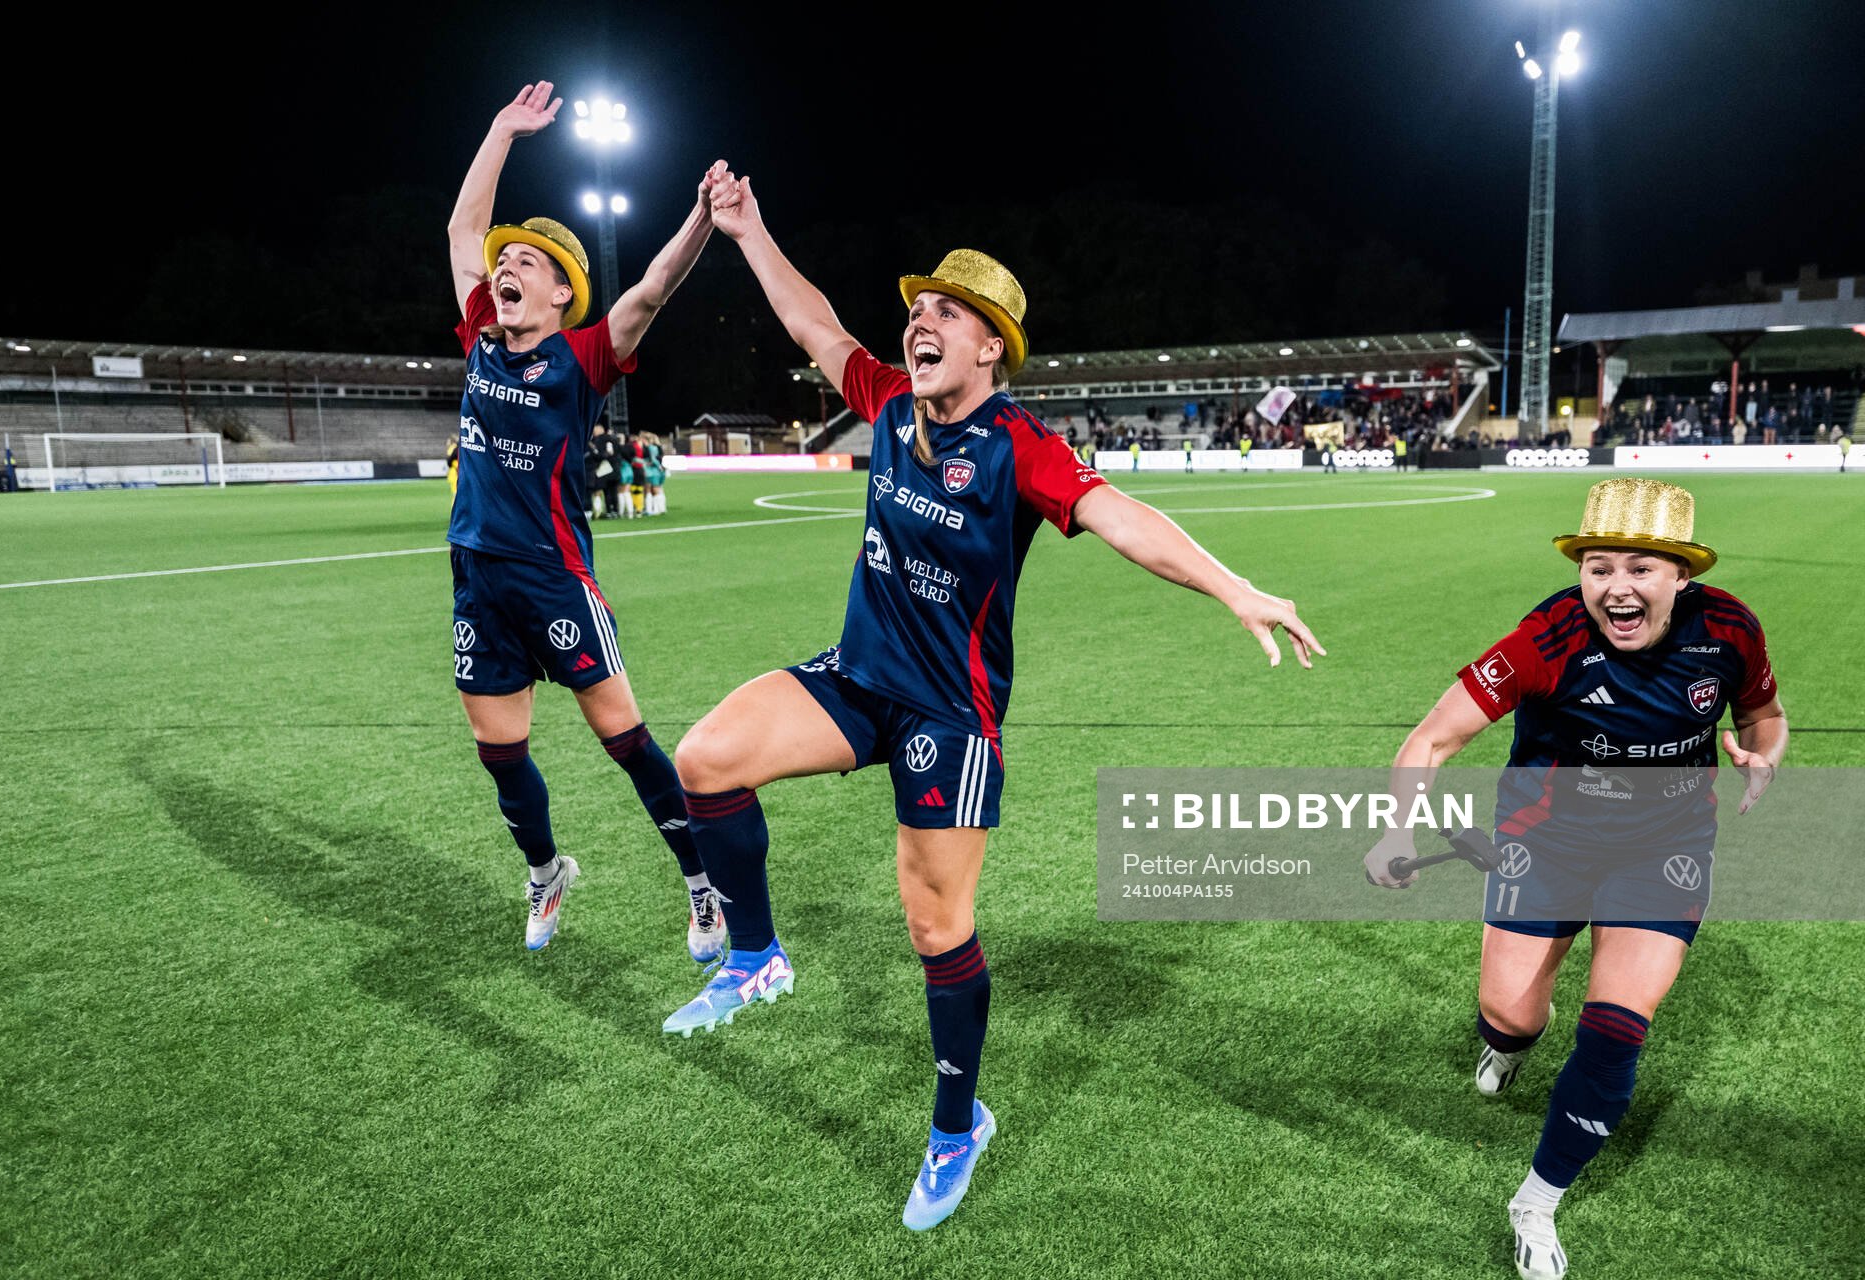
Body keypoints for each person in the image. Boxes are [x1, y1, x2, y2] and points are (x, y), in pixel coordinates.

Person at [663, 170, 1325, 1231]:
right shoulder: (883, 396)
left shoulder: (1020, 446)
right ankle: (754, 955)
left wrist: (1234, 586)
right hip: (856, 677)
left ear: (990, 350)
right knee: (705, 758)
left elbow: (1122, 518)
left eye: (949, 314)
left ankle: (957, 1123)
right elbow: (810, 315)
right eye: (919, 308)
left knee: (935, 926)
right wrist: (745, 228)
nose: (922, 321)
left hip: (946, 718)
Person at [1364, 478, 1787, 1280]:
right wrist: (1397, 827)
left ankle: (1537, 1201)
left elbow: (1763, 715)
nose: (1616, 589)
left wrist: (1764, 756)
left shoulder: (1730, 629)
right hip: (1545, 841)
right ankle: (1510, 1041)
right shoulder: (1546, 639)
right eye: (1599, 568)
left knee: (1618, 1028)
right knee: (1511, 1015)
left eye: (1640, 568)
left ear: (1681, 577)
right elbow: (1430, 740)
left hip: (1667, 846)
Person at [445, 80, 729, 958]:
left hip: (552, 576)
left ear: (565, 293)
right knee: (501, 757)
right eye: (506, 263)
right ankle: (546, 872)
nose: (506, 268)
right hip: (476, 575)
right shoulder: (481, 334)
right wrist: (500, 131)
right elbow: (463, 231)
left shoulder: (584, 357)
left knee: (627, 741)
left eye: (528, 262)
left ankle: (702, 884)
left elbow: (651, 289)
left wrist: (701, 222)